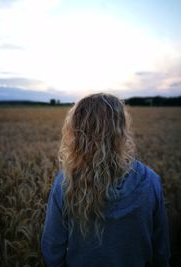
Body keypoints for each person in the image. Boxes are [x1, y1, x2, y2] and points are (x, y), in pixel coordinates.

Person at [41, 93, 171, 267]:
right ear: (121, 130)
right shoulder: (150, 181)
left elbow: (52, 250)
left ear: (77, 132)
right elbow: (161, 252)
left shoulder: (65, 183)